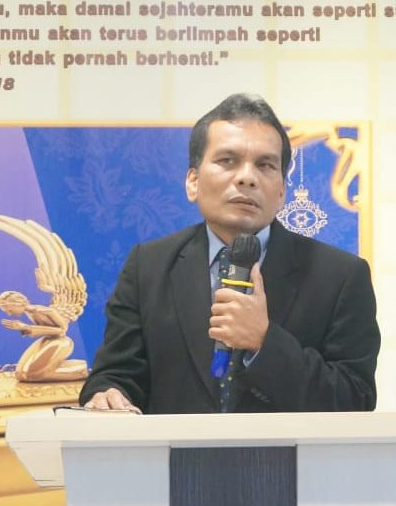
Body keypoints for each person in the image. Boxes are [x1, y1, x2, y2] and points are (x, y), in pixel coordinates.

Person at [79, 93, 380, 413]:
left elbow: (356, 399)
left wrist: (265, 343)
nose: (247, 177)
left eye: (265, 165)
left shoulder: (341, 277)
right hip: (177, 448)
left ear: (281, 192)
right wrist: (108, 393)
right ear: (193, 182)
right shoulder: (148, 267)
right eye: (227, 161)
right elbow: (115, 374)